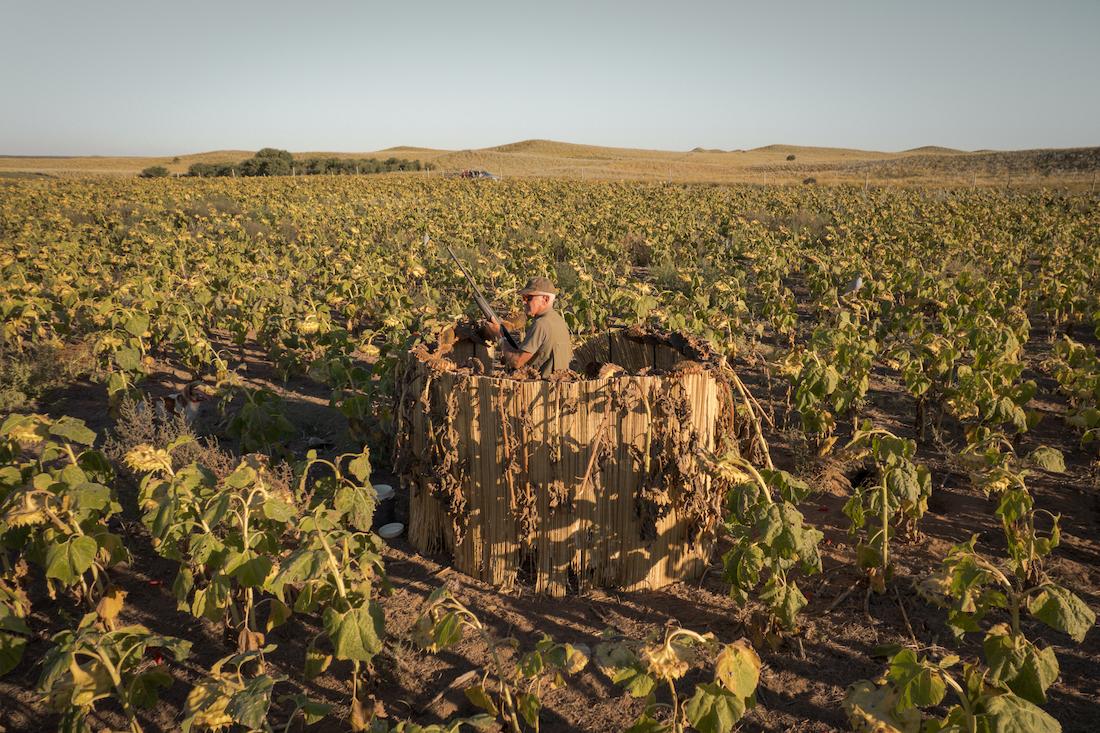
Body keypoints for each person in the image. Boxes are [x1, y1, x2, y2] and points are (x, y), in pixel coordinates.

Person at [483, 276, 573, 376]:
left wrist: (499, 336)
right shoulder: (558, 320)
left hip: (541, 387)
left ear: (545, 299)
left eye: (529, 298)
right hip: (558, 384)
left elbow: (516, 362)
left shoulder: (541, 324)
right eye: (524, 298)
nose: (524, 302)